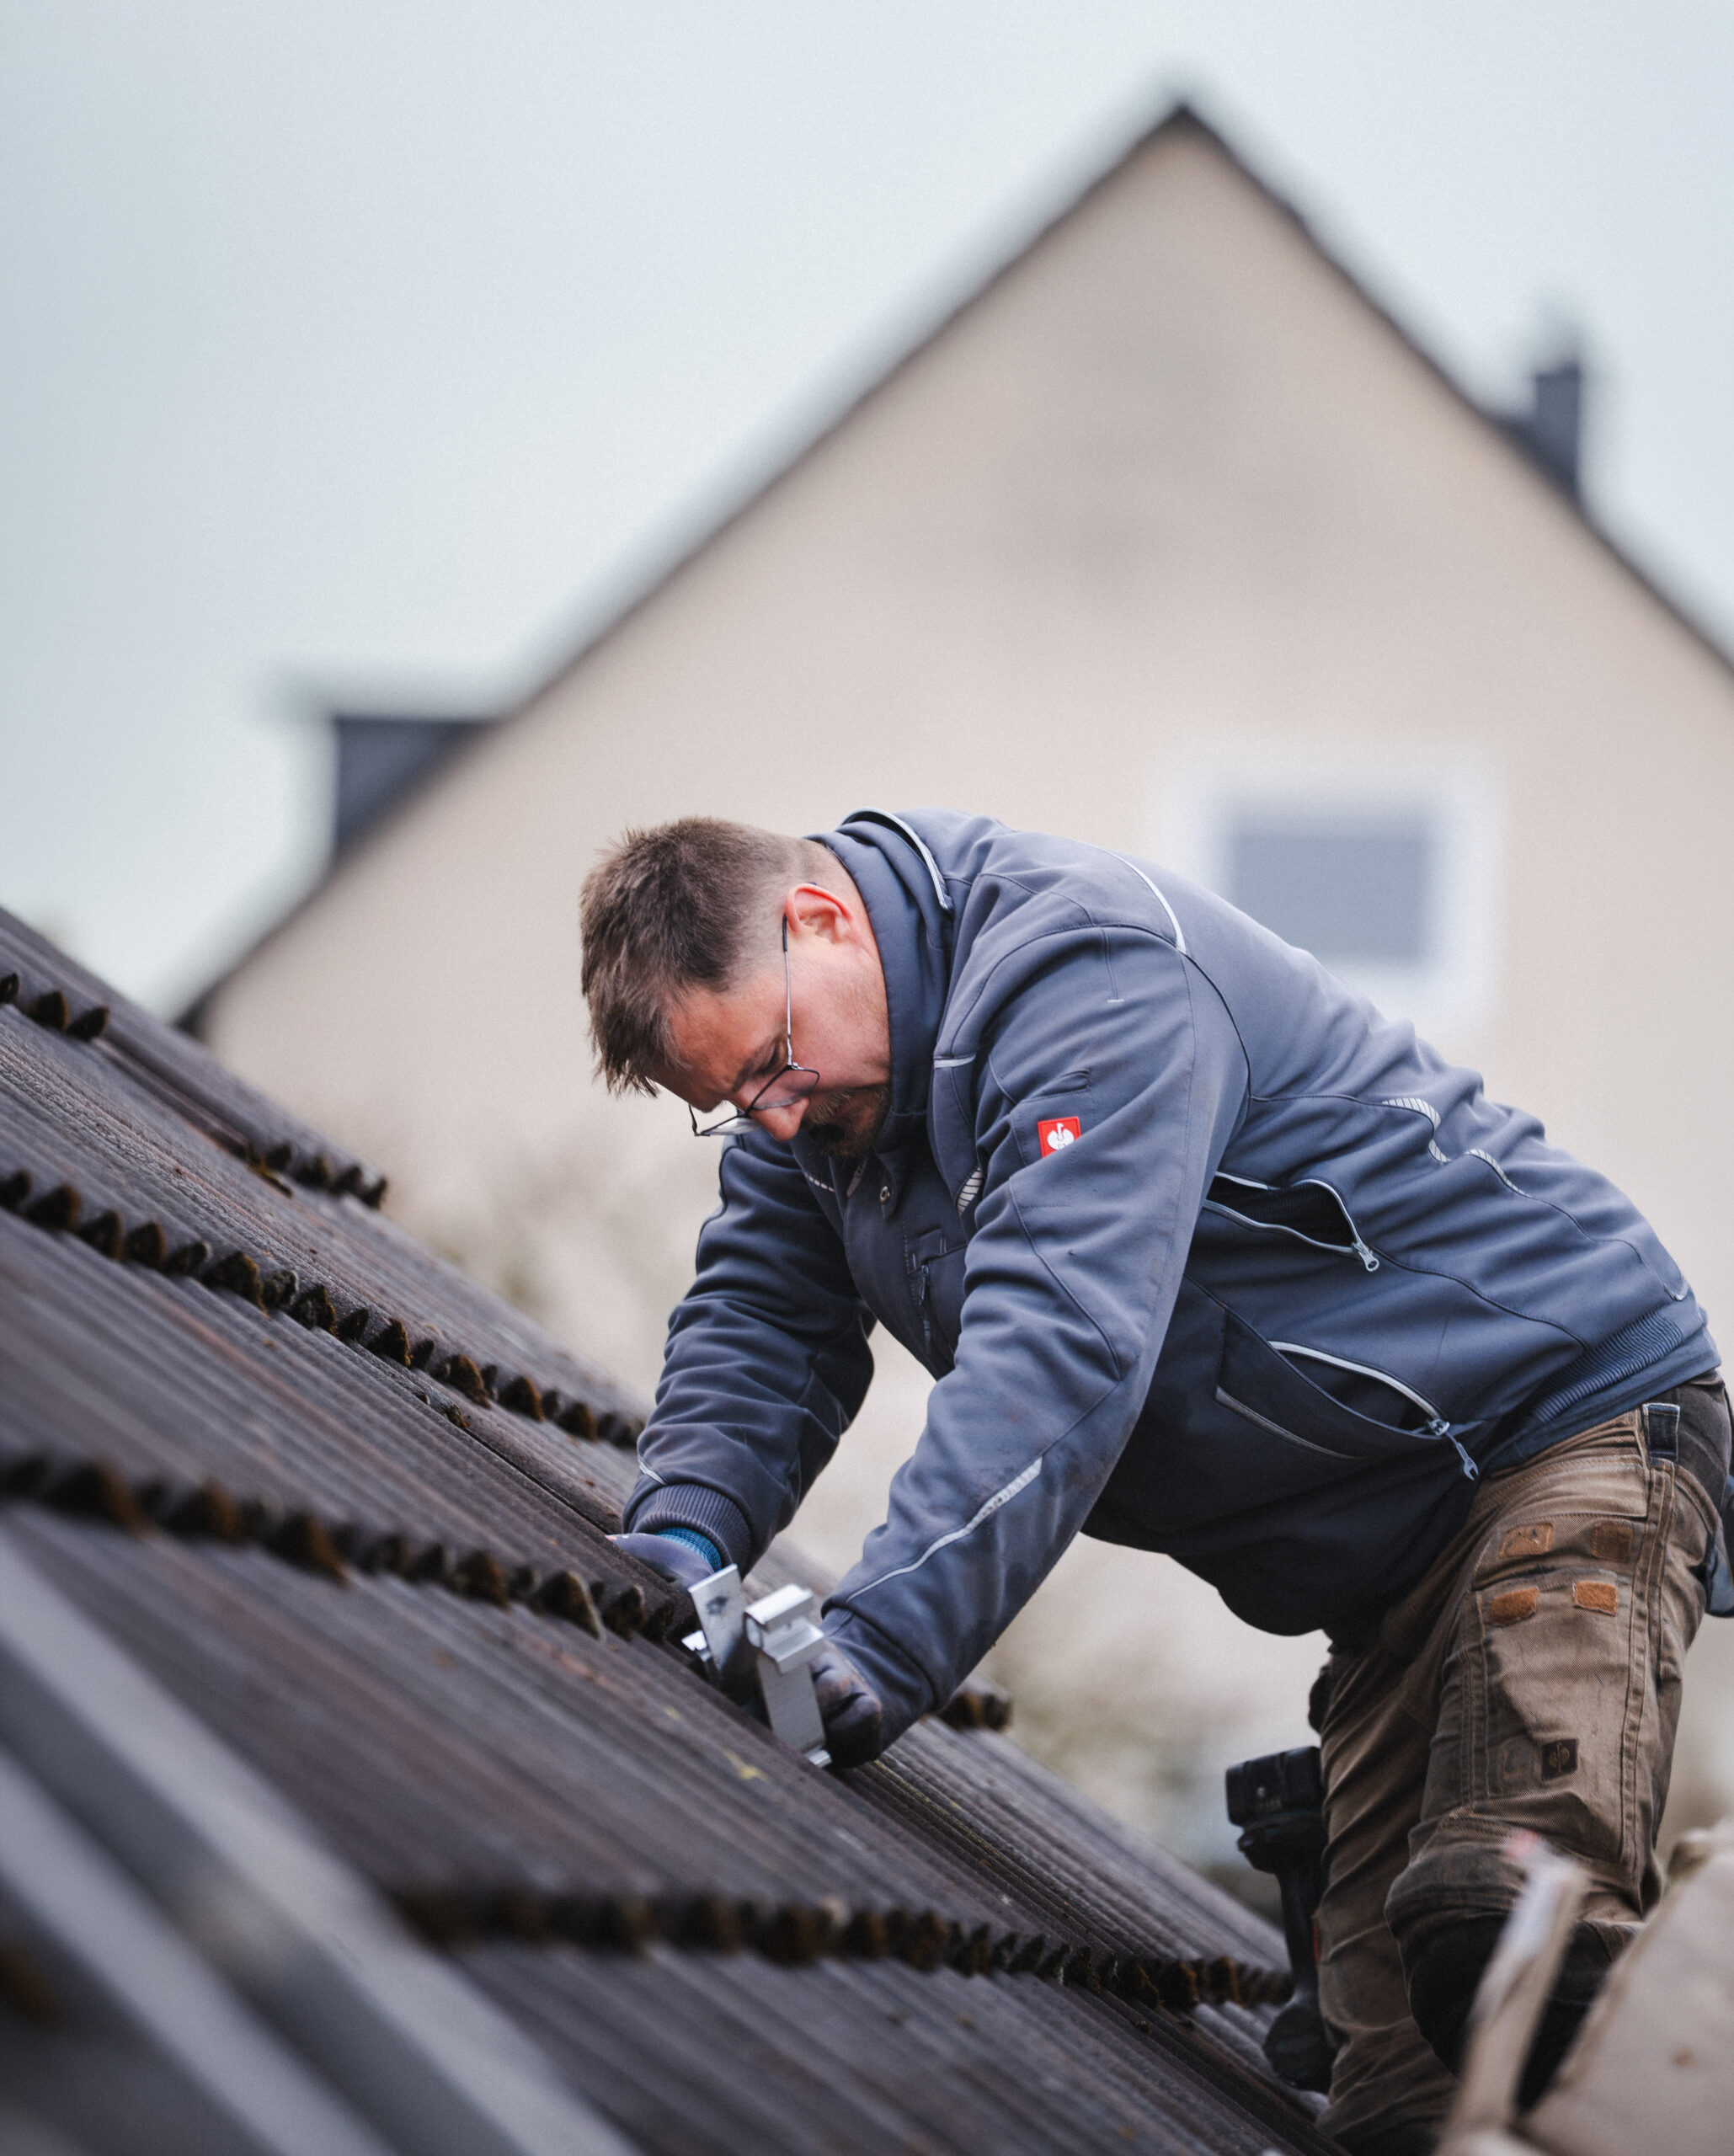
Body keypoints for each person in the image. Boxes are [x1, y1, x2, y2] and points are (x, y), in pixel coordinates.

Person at [581, 808, 1731, 2156]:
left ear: (822, 921)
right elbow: (765, 1324)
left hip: (1562, 1427)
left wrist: (882, 1640)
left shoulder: (1091, 980)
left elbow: (1064, 1343)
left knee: (1510, 1928)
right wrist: (680, 1533)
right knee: (1406, 2111)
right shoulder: (824, 1116)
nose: (773, 1120)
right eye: (733, 1108)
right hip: (1391, 1562)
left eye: (773, 1068)